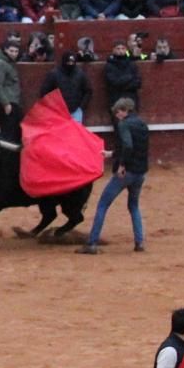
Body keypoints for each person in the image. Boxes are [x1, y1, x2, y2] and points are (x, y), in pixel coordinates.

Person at [78, 98, 149, 255]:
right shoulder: (142, 124)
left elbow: (128, 146)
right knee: (134, 206)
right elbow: (136, 148)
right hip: (140, 173)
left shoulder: (124, 124)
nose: (117, 116)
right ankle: (139, 242)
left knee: (103, 204)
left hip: (126, 173)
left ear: (124, 111)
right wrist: (111, 154)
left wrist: (122, 165)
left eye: (117, 113)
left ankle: (92, 243)